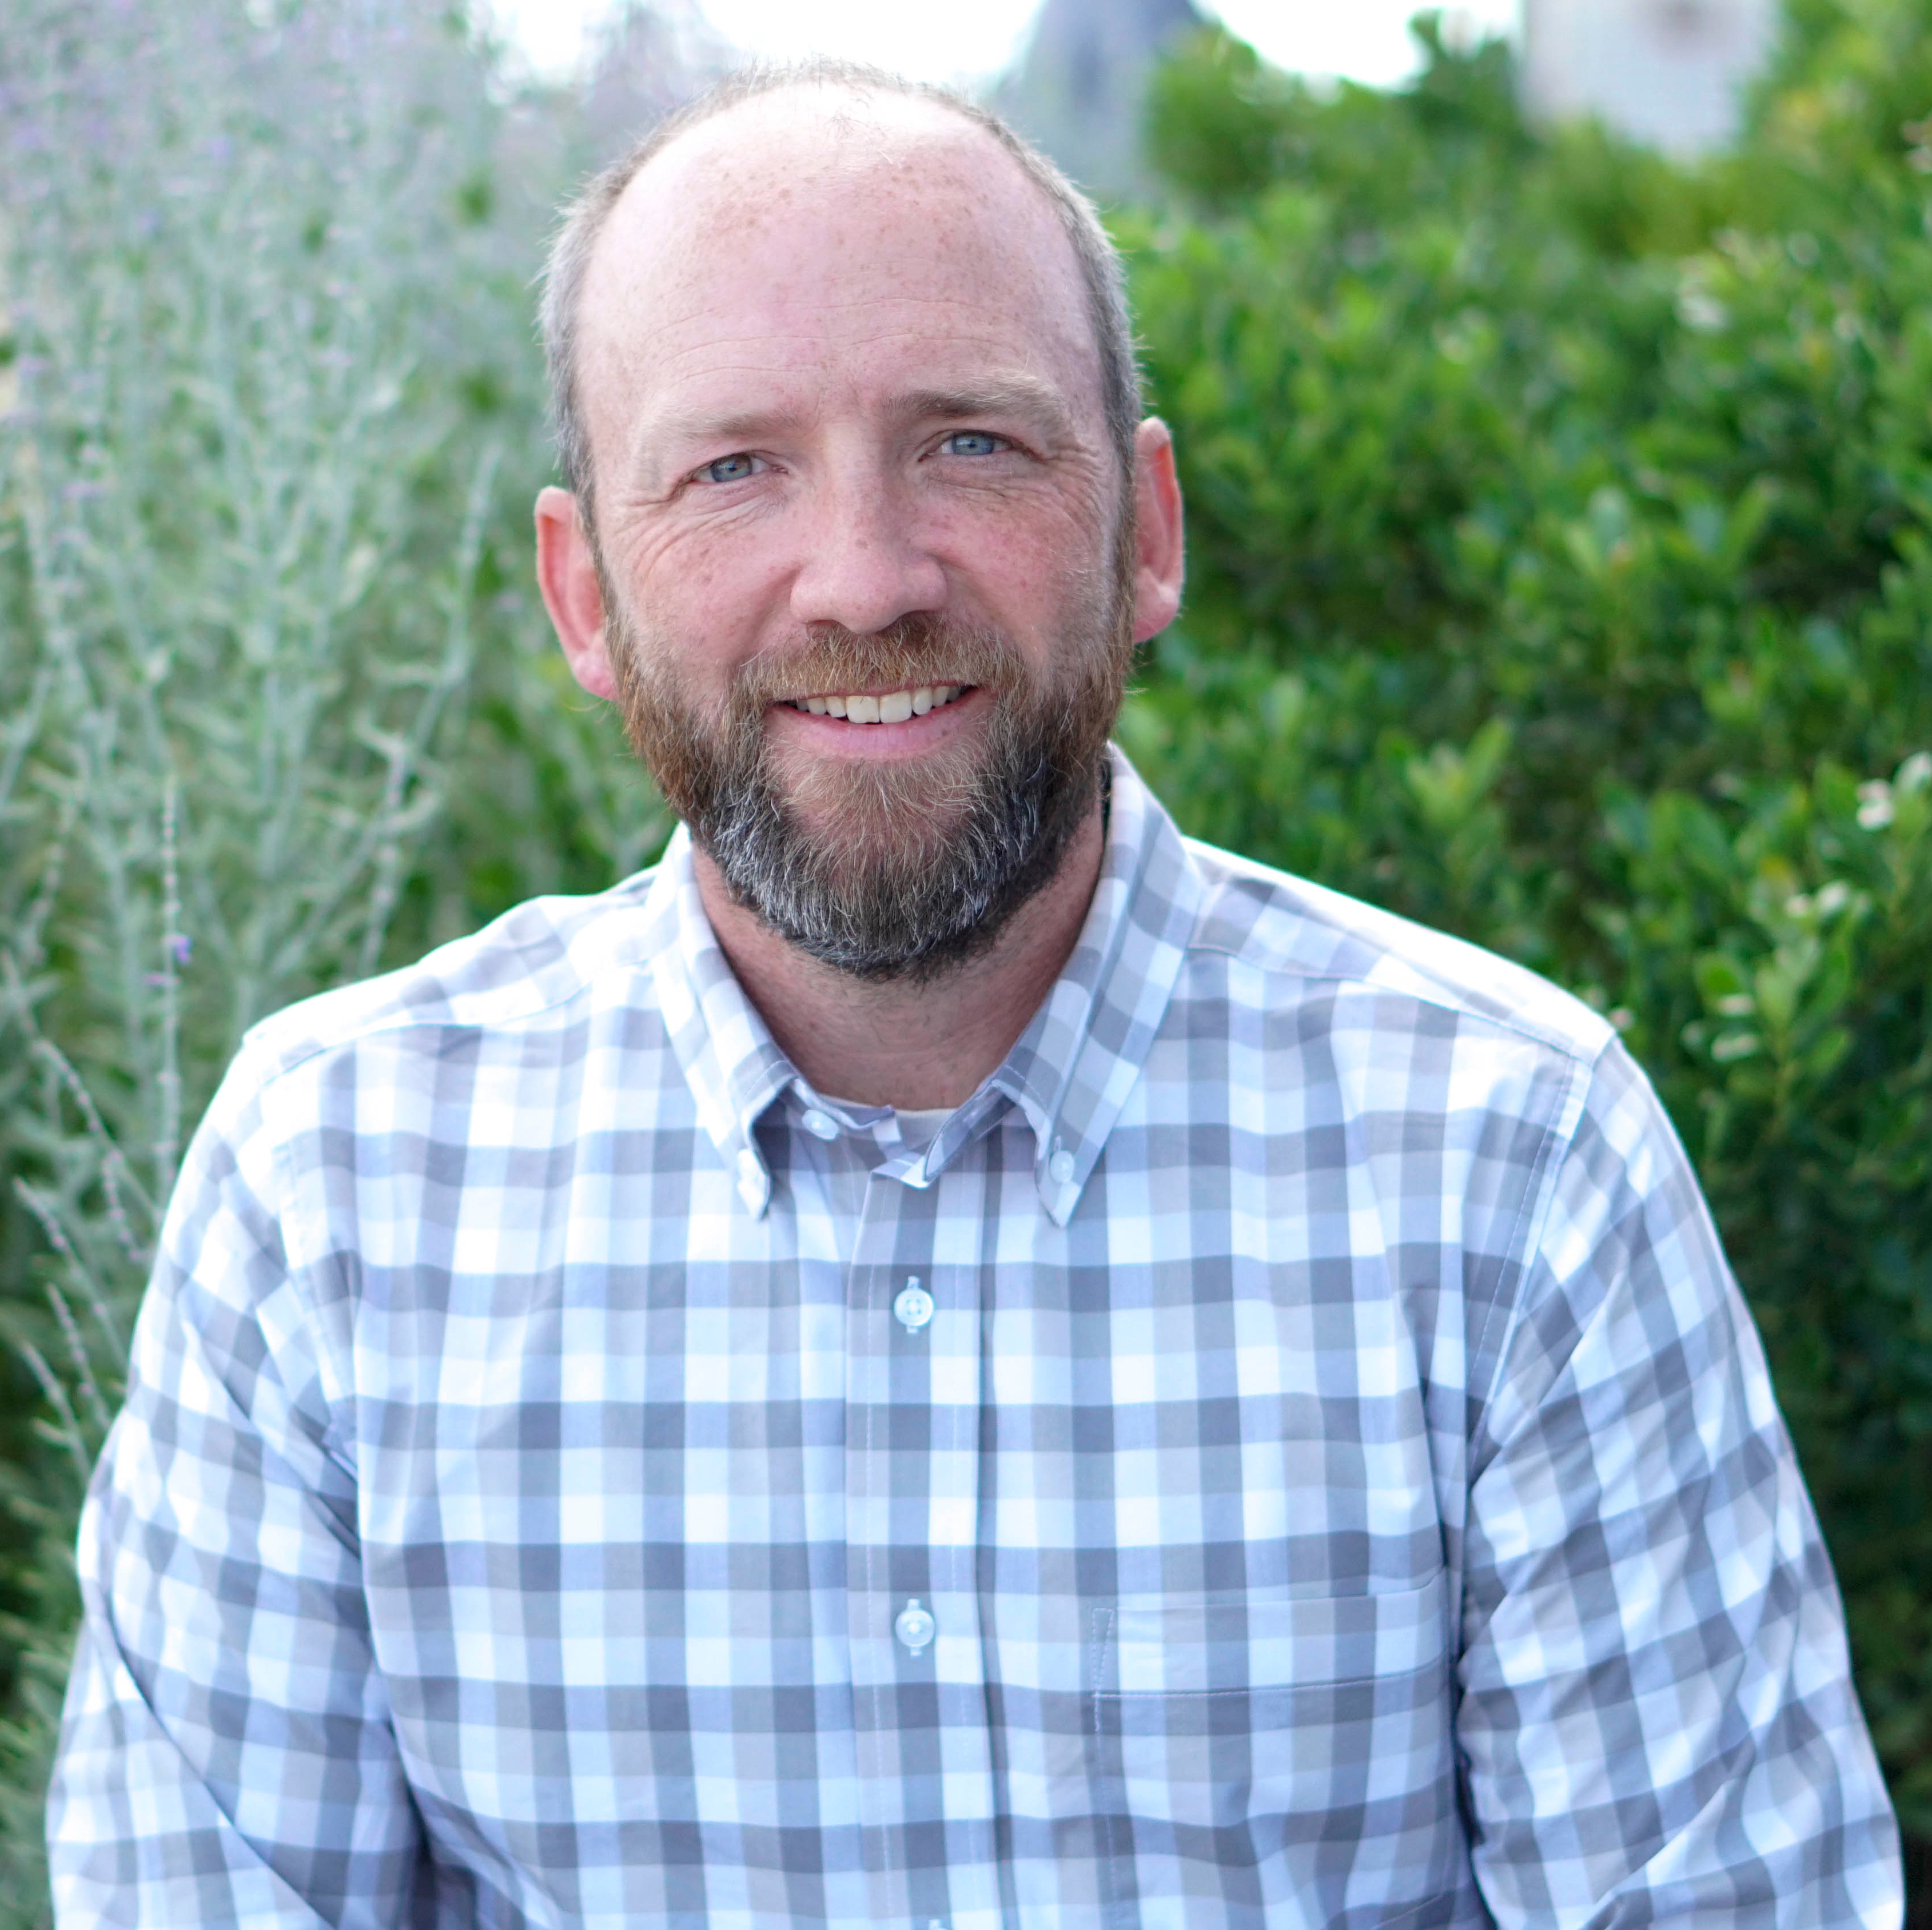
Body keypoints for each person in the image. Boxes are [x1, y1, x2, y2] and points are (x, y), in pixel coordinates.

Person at [47, 61, 1901, 1930]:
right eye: (729, 469)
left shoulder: (1510, 1167)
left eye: (973, 445)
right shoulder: (336, 1192)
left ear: (1146, 531)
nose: (860, 578)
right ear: (582, 594)